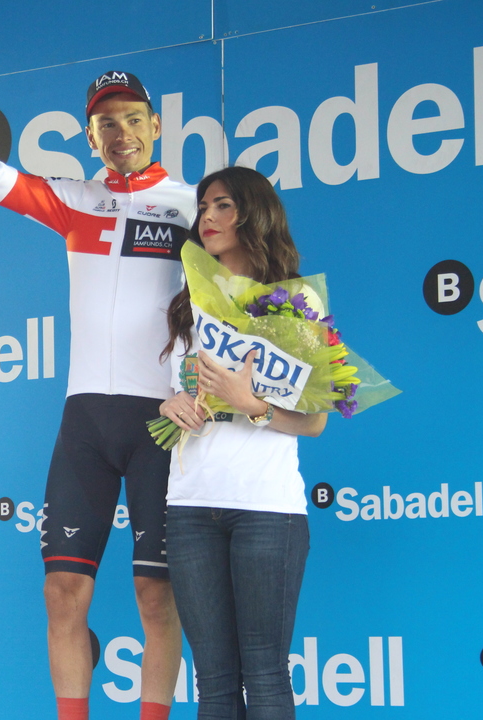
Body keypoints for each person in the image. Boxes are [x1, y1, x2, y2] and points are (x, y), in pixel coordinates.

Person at [0, 19, 195, 720]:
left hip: (162, 421)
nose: (120, 132)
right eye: (105, 123)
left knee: (156, 596)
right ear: (90, 136)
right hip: (86, 422)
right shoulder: (76, 200)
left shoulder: (193, 206)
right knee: (62, 593)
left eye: (132, 119)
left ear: (156, 126)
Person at [158, 166, 327, 719]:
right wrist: (170, 405)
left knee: (265, 672)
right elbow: (175, 388)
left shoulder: (294, 301)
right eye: (204, 206)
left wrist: (250, 404)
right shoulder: (189, 299)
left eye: (223, 205)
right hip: (189, 507)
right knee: (212, 681)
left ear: (255, 214)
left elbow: (315, 423)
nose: (207, 216)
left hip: (266, 509)